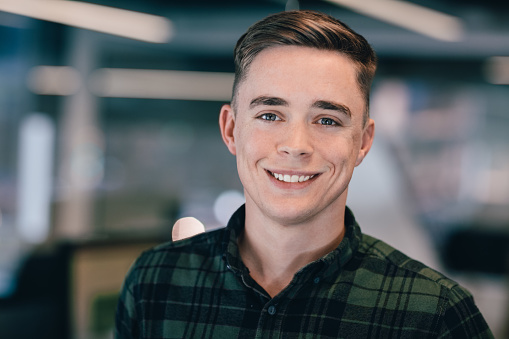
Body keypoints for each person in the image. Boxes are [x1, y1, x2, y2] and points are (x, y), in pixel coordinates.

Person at [115, 10, 493, 338]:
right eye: (269, 115)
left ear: (362, 142)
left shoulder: (434, 316)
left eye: (327, 120)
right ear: (231, 130)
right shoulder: (155, 282)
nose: (296, 145)